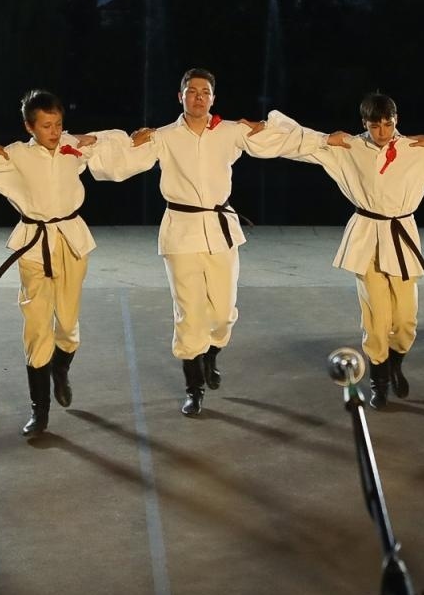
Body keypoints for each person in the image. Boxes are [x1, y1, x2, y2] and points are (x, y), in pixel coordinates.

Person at [88, 67, 303, 417]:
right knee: (189, 313)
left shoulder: (230, 131)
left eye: (205, 92)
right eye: (191, 91)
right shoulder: (163, 136)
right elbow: (122, 159)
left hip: (220, 228)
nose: (198, 97)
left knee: (222, 311)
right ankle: (194, 387)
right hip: (180, 230)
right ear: (180, 96)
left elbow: (275, 141)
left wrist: (275, 127)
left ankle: (211, 353)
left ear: (213, 98)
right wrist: (95, 143)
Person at [269, 93, 424, 409]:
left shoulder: (414, 149)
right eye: (375, 125)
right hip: (366, 236)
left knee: (405, 320)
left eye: (388, 124)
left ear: (396, 121)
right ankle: (379, 380)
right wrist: (321, 137)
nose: (382, 131)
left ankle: (395, 364)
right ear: (365, 123)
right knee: (377, 318)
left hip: (401, 235)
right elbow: (302, 146)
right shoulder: (349, 147)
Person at [0, 90, 131, 437]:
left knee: (68, 326)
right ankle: (39, 410)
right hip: (33, 244)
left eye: (57, 124)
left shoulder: (72, 147)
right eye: (46, 126)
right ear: (30, 126)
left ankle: (61, 367)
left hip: (71, 240)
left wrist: (134, 138)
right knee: (38, 327)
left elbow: (110, 142)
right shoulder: (16, 155)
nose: (54, 132)